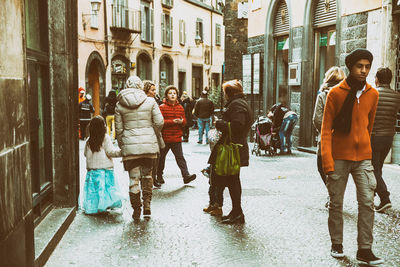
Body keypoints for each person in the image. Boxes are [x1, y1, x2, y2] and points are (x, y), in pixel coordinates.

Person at [321, 48, 383, 265]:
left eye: (367, 66)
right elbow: (326, 130)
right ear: (351, 67)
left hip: (363, 157)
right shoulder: (335, 93)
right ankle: (336, 243)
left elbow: (369, 126)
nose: (364, 70)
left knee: (367, 202)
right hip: (338, 157)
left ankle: (364, 249)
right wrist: (327, 161)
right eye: (360, 66)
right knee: (336, 203)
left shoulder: (373, 94)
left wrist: (368, 152)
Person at [115, 76, 164, 220]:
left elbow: (118, 130)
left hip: (130, 148)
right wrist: (153, 133)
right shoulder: (150, 101)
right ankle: (147, 205)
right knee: (147, 175)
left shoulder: (119, 104)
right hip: (149, 147)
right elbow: (159, 122)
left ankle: (136, 209)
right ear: (140, 86)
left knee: (133, 179)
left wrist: (122, 144)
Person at [208, 80, 252, 224]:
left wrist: (218, 124)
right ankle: (236, 211)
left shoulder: (237, 104)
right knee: (232, 180)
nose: (224, 95)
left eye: (225, 92)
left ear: (229, 93)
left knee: (232, 181)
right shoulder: (240, 102)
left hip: (233, 148)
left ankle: (237, 212)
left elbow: (238, 125)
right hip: (235, 146)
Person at [312, 66, 346, 207]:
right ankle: (335, 195)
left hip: (326, 139)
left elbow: (317, 118)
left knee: (322, 166)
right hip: (343, 138)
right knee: (339, 168)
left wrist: (325, 131)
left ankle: (333, 195)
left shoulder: (323, 95)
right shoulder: (348, 94)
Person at [371, 67, 400, 213]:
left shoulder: (372, 94)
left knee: (372, 168)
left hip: (374, 136)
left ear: (377, 78)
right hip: (389, 137)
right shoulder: (396, 96)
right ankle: (376, 198)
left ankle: (384, 197)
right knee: (378, 167)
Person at [82, 116, 123, 215]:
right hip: (105, 169)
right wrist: (122, 152)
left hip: (92, 170)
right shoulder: (105, 137)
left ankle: (93, 207)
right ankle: (103, 206)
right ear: (102, 126)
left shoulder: (89, 140)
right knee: (105, 190)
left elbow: (84, 154)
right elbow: (110, 152)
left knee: (94, 191)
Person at [157, 85, 197, 185]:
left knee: (180, 157)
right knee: (161, 158)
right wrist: (173, 122)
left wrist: (182, 121)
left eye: (174, 93)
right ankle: (159, 175)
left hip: (176, 137)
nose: (172, 95)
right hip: (165, 137)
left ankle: (186, 175)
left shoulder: (180, 107)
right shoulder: (162, 107)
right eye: (170, 93)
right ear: (166, 95)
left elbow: (185, 121)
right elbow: (160, 122)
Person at [143, 80, 162, 189]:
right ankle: (150, 178)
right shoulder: (148, 101)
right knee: (153, 157)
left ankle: (153, 177)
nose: (155, 92)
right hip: (152, 132)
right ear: (146, 90)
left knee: (156, 157)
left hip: (153, 132)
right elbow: (159, 121)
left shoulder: (156, 100)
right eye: (152, 90)